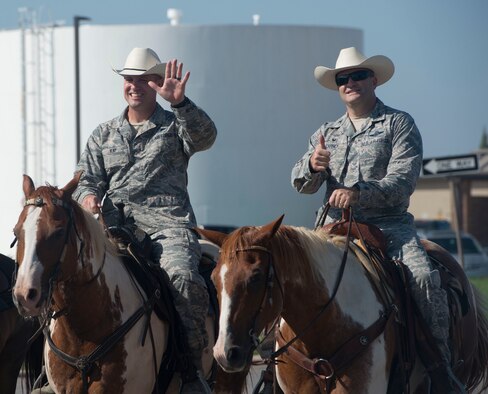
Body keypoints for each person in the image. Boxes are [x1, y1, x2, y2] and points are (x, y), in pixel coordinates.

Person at [291, 47, 465, 393]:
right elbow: (301, 184)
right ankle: (276, 363)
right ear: (337, 86)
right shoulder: (326, 133)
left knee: (424, 278)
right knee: (290, 277)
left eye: (357, 76)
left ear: (373, 80)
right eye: (343, 78)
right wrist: (312, 166)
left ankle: (439, 370)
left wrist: (359, 193)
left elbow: (403, 181)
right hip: (332, 229)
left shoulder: (398, 124)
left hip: (388, 227)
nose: (350, 83)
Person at [73, 47, 217, 393]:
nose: (135, 86)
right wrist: (88, 197)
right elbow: (86, 179)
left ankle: (192, 371)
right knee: (68, 273)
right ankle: (58, 368)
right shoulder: (104, 134)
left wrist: (180, 103)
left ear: (155, 84)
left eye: (143, 80)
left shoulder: (174, 125)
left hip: (167, 226)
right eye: (129, 79)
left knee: (183, 278)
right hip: (114, 229)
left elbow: (206, 137)